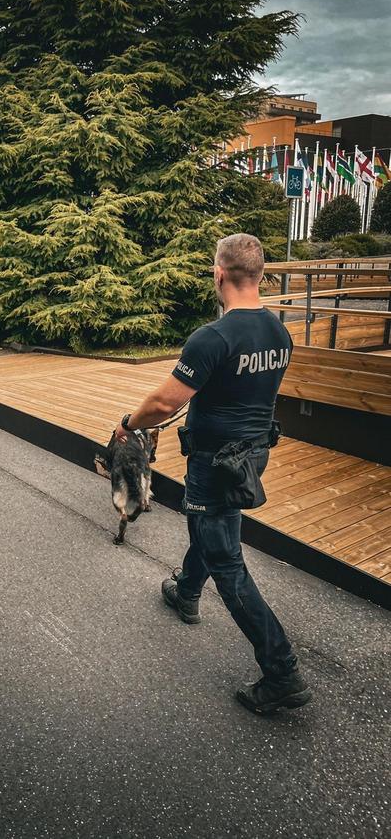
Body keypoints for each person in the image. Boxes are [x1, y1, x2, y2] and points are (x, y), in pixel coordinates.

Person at [114, 234, 312, 715]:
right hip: (252, 457)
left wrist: (126, 425)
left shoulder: (214, 337)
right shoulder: (279, 332)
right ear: (261, 275)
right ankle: (185, 591)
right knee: (212, 525)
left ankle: (281, 672)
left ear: (219, 274)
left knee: (227, 560)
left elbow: (165, 401)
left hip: (215, 463)